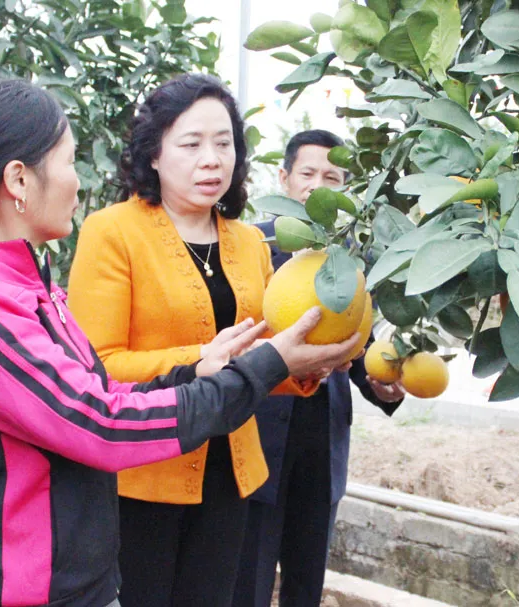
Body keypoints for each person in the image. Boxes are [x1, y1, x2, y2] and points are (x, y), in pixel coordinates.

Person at [0, 78, 357, 607]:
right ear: (19, 179)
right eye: (69, 162)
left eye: (223, 142)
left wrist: (202, 368)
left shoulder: (22, 288)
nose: (77, 181)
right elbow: (102, 422)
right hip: (28, 591)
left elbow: (95, 394)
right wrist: (261, 365)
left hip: (79, 584)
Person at [67, 74, 332, 607]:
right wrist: (203, 359)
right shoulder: (113, 232)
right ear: (154, 155)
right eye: (191, 144)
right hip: (141, 477)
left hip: (230, 475)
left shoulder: (249, 241)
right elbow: (97, 367)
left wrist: (305, 366)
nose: (211, 160)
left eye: (223, 143)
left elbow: (259, 359)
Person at [234, 130, 405, 607]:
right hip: (260, 433)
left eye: (331, 177)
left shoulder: (353, 257)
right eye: (307, 173)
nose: (317, 185)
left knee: (306, 582)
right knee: (248, 582)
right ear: (285, 178)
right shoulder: (253, 244)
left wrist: (381, 387)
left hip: (322, 440)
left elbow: (359, 339)